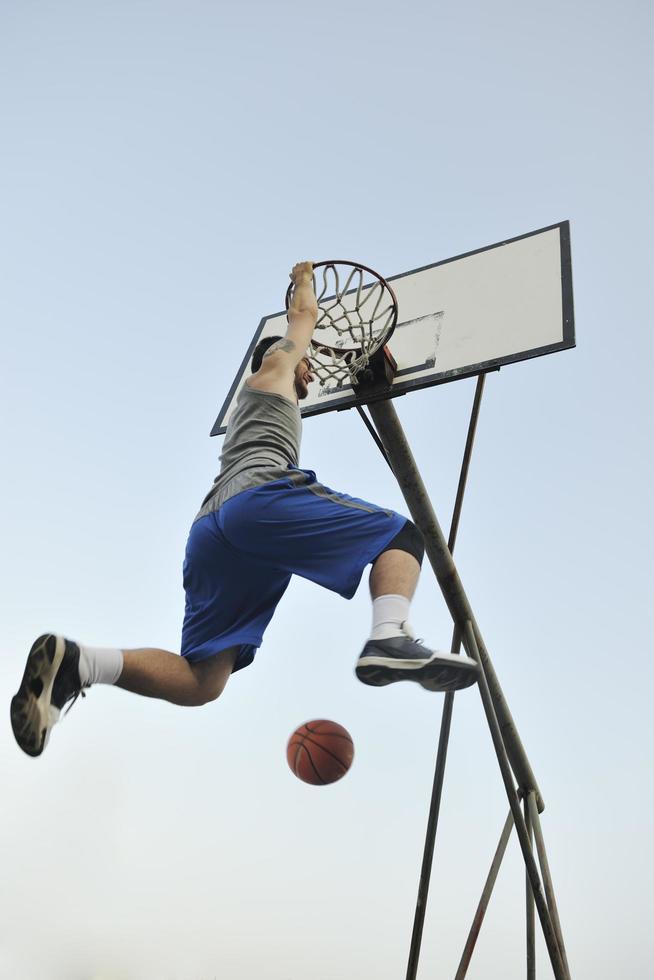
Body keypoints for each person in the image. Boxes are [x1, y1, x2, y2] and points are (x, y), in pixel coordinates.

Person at [11, 261, 478, 758]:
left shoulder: (258, 407)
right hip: (256, 500)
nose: (311, 370)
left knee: (203, 681)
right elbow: (304, 317)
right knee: (401, 536)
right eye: (306, 363)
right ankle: (390, 634)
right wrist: (303, 283)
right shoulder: (274, 367)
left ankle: (80, 664)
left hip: (214, 530)